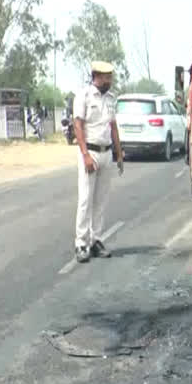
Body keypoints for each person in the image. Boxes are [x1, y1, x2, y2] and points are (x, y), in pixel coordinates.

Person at [72, 61, 124, 263]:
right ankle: (81, 243)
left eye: (110, 76)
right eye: (105, 77)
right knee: (86, 200)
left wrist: (119, 154)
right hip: (90, 153)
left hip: (106, 153)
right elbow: (78, 125)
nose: (109, 80)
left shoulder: (111, 98)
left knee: (100, 201)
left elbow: (113, 127)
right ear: (96, 76)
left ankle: (96, 240)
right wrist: (85, 155)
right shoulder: (83, 96)